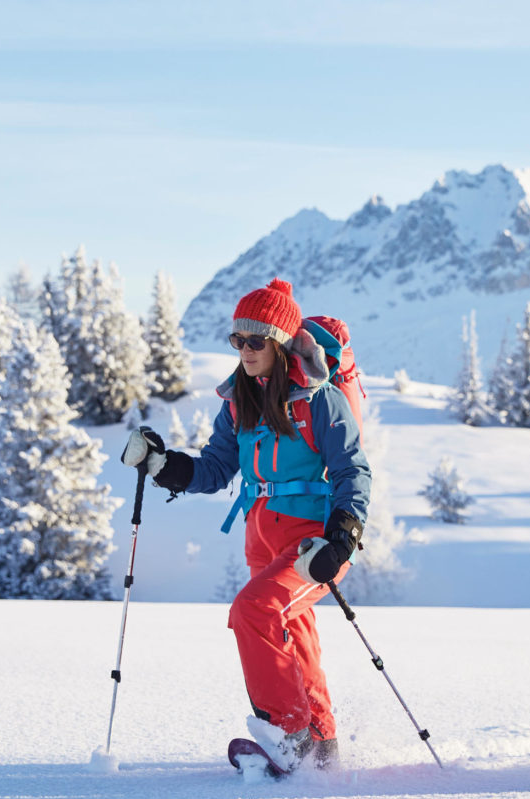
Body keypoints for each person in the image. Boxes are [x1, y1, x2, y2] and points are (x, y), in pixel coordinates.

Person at [120, 278, 371, 773]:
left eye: (256, 340)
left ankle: (287, 734)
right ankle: (321, 750)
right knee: (292, 634)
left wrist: (341, 540)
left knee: (254, 611)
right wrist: (160, 464)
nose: (245, 350)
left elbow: (352, 470)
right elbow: (215, 468)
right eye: (237, 340)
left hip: (315, 541)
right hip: (261, 535)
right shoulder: (239, 399)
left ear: (279, 342)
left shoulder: (318, 399)